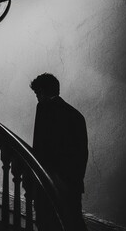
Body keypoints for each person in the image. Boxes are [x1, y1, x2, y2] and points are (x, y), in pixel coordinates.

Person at [30, 73, 88, 231]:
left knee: (47, 223)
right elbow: (83, 154)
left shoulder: (44, 108)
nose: (37, 98)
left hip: (49, 180)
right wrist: (75, 180)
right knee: (73, 222)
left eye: (37, 94)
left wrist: (36, 179)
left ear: (42, 92)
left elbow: (40, 147)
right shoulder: (77, 116)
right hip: (72, 182)